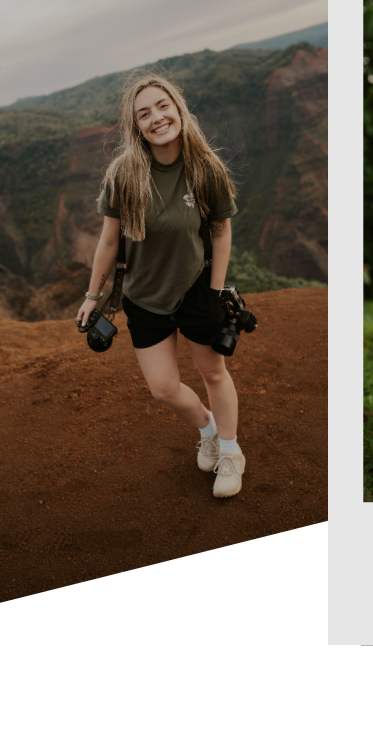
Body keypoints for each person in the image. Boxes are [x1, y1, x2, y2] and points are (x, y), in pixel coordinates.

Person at [76, 73, 245, 498]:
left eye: (163, 106)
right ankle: (208, 430)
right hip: (143, 296)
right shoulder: (124, 174)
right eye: (144, 114)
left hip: (196, 288)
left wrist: (215, 291)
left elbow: (221, 230)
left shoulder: (205, 167)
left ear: (179, 109)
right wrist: (93, 296)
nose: (156, 118)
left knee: (213, 373)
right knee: (163, 389)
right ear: (135, 126)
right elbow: (109, 241)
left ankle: (230, 452)